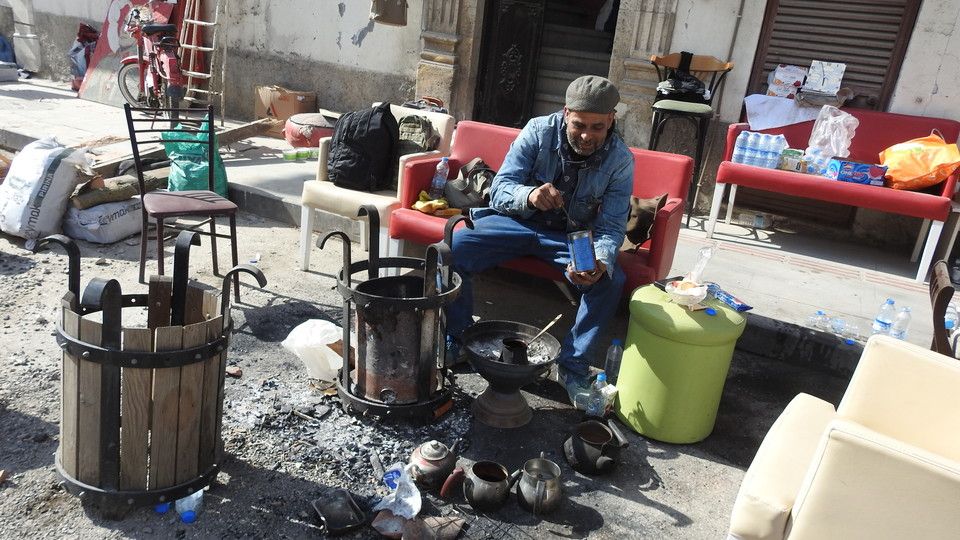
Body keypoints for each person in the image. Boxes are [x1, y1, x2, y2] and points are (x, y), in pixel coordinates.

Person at [447, 75, 632, 406]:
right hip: (515, 222)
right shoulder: (537, 131)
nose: (587, 135)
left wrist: (600, 261)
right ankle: (458, 339)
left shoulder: (620, 159)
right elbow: (501, 188)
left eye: (597, 127)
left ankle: (572, 365)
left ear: (611, 121)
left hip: (568, 236)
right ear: (565, 114)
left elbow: (613, 223)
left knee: (611, 279)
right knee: (453, 248)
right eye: (579, 125)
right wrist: (529, 195)